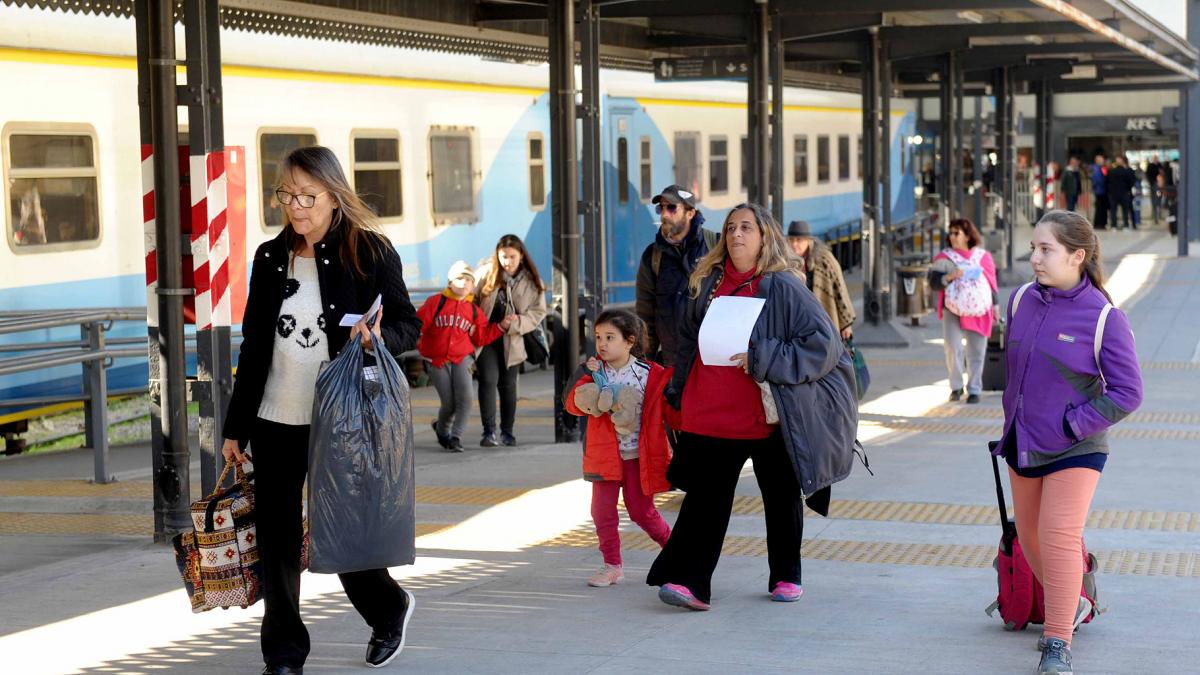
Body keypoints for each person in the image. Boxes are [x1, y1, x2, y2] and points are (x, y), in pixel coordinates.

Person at [219, 146, 422, 675]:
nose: (296, 206)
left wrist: (378, 336)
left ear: (335, 195)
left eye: (308, 195)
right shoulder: (269, 257)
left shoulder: (369, 252)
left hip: (340, 418)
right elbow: (255, 346)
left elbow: (408, 324)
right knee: (278, 542)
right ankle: (284, 655)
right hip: (273, 416)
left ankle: (388, 607)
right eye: (287, 194)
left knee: (340, 532)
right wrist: (236, 426)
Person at [646, 202, 859, 611]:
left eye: (746, 227)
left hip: (769, 417)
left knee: (780, 499)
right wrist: (680, 388)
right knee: (705, 503)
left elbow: (824, 345)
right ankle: (691, 584)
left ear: (765, 237)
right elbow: (688, 339)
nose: (736, 235)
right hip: (711, 414)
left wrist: (762, 355)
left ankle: (785, 574)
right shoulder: (708, 281)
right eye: (730, 228)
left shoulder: (783, 286)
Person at [997, 209, 1143, 675]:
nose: (1035, 258)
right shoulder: (1020, 300)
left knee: (1058, 537)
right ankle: (1073, 601)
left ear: (1077, 256)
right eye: (1034, 248)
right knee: (1032, 539)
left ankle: (1058, 640)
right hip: (1023, 442)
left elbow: (1128, 391)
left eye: (1046, 250)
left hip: (1077, 446)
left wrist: (1073, 424)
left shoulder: (1104, 316)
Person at [564, 308, 672, 588]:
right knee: (602, 512)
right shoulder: (592, 371)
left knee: (641, 512)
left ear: (630, 341)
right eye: (598, 336)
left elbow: (670, 411)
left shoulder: (650, 374)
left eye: (610, 337)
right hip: (605, 457)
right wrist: (586, 395)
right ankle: (612, 566)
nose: (601, 343)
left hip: (639, 457)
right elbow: (571, 404)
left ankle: (675, 553)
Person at [416, 261, 509, 452]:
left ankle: (456, 437)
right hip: (437, 360)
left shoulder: (473, 310)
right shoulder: (436, 302)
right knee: (449, 404)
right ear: (450, 282)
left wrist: (501, 327)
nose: (464, 283)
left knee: (465, 399)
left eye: (468, 280)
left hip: (462, 358)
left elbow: (481, 336)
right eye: (459, 278)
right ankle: (442, 431)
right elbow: (417, 325)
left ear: (472, 285)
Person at [474, 234, 548, 448]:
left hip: (513, 339)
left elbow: (538, 312)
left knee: (508, 386)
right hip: (487, 338)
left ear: (521, 256)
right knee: (487, 381)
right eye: (504, 256)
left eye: (512, 256)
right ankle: (489, 432)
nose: (508, 261)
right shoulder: (486, 275)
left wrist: (517, 322)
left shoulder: (532, 281)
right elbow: (473, 301)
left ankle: (507, 431)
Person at [635, 185, 717, 367]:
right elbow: (645, 318)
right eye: (661, 208)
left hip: (710, 364)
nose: (664, 214)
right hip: (672, 365)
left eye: (671, 208)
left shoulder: (715, 247)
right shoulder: (652, 256)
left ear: (690, 213)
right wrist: (642, 366)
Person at [929, 218, 998, 405]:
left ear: (968, 235)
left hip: (979, 310)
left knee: (976, 350)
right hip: (953, 309)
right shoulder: (944, 258)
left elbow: (992, 284)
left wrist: (996, 307)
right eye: (950, 233)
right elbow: (933, 282)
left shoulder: (983, 257)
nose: (952, 236)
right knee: (953, 347)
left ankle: (975, 388)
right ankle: (956, 386)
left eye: (956, 233)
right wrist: (950, 276)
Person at [786, 220, 855, 340]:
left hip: (823, 318)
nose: (794, 244)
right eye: (791, 240)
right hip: (798, 322)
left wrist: (846, 324)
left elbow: (840, 288)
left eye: (799, 240)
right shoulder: (786, 262)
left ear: (809, 240)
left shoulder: (824, 259)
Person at [1105, 156, 1136, 230]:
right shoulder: (1126, 171)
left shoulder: (1111, 171)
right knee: (1125, 210)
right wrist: (1128, 189)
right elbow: (1131, 182)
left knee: (1113, 210)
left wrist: (1109, 191)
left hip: (1114, 194)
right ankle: (1126, 225)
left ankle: (1114, 226)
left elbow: (1106, 182)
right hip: (1124, 193)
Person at [1090, 154, 1108, 230]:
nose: (1102, 161)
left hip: (1103, 190)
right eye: (1100, 160)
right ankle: (1099, 223)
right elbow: (1097, 180)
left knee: (1103, 208)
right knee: (1100, 208)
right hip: (1099, 191)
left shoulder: (1102, 168)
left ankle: (1102, 223)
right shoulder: (1095, 168)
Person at [1145, 155, 1162, 223]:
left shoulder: (1160, 165)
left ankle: (1158, 214)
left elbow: (1162, 174)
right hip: (1153, 185)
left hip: (1159, 186)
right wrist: (1151, 182)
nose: (1156, 160)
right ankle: (1155, 216)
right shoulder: (1150, 166)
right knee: (1154, 200)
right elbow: (1148, 174)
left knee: (1158, 199)